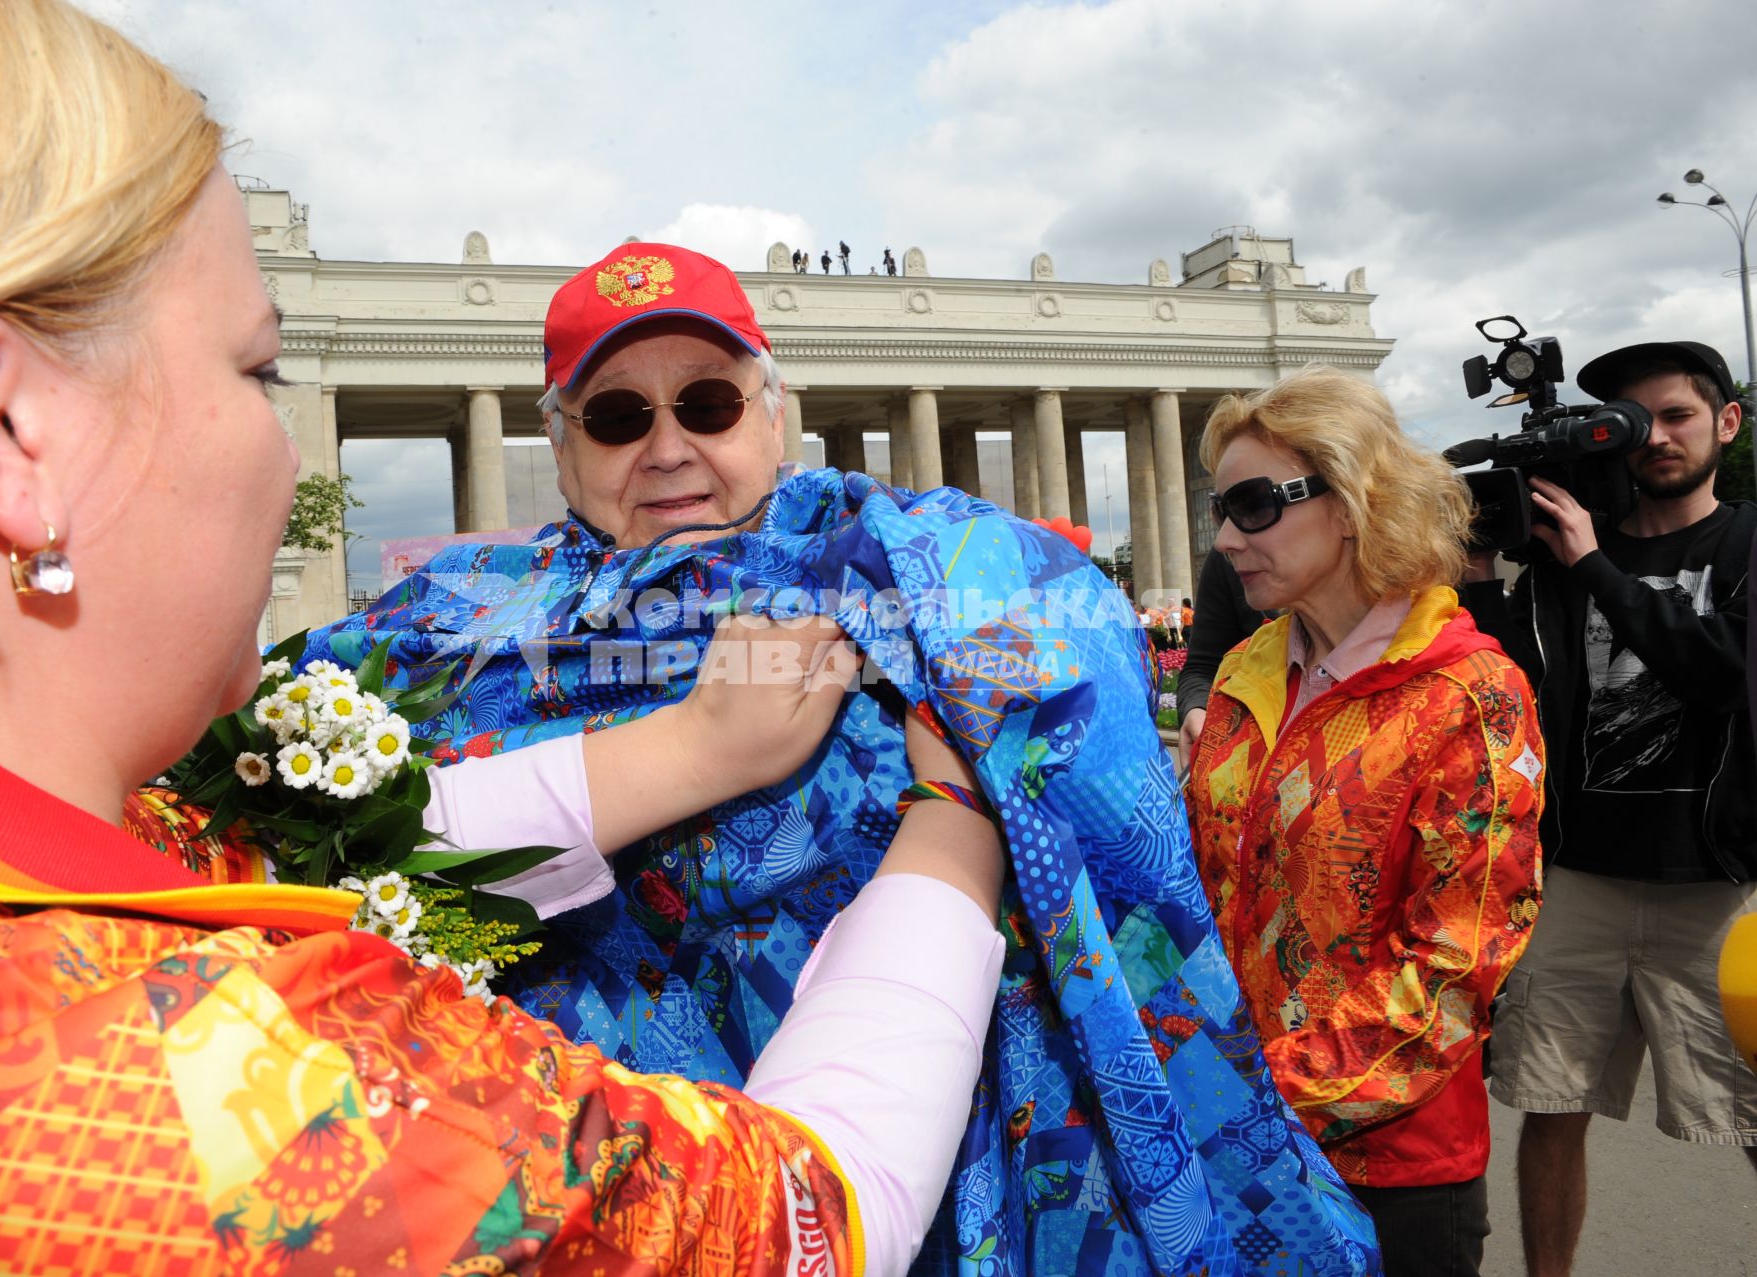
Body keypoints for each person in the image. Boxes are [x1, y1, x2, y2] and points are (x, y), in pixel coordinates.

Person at [0, 4, 1010, 1274]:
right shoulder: (213, 1089)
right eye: (259, 372)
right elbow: (800, 1219)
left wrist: (689, 753)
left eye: (712, 403)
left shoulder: (43, 854)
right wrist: (961, 820)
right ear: (0, 424)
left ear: (776, 413)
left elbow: (339, 872)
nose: (294, 457)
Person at [303, 246, 1383, 1272]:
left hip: (920, 1147)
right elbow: (307, 832)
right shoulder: (453, 626)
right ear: (563, 445)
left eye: (710, 403)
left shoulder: (924, 566)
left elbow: (1063, 645)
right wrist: (690, 750)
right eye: (620, 416)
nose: (669, 445)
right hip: (595, 1182)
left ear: (779, 418)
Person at [1184, 367, 1545, 1276]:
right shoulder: (1246, 672)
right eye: (1221, 508)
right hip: (1229, 1139)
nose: (1225, 538)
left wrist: (1257, 1097)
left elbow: (1457, 966)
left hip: (1390, 1169)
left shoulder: (1472, 694)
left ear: (1351, 501)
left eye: (1254, 505)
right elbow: (1198, 885)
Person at [1461, 339, 1757, 1277]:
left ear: (1726, 422)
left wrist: (1593, 565)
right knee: (1551, 1106)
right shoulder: (1561, 557)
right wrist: (1475, 572)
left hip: (1713, 881)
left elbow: (1724, 674)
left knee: (1750, 1106)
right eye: (1638, 423)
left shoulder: (1746, 541)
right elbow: (1505, 673)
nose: (1658, 438)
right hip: (1578, 876)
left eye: (1677, 415)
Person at [1177, 547, 1270, 756]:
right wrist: (1198, 707)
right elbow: (1203, 667)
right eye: (1222, 515)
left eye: (1254, 512)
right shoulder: (1225, 561)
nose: (1224, 539)